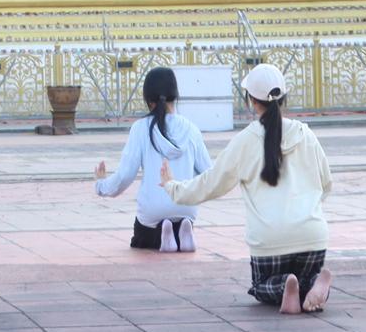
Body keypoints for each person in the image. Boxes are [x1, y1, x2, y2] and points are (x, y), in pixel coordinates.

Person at [165, 63, 333, 314]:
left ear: (251, 101)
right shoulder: (306, 135)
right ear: (284, 98)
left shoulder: (245, 141)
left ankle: (284, 289)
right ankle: (311, 284)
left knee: (260, 285)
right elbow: (326, 183)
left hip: (270, 241)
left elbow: (211, 184)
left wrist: (172, 187)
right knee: (305, 272)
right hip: (313, 237)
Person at [94, 66, 212, 251]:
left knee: (140, 235)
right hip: (186, 206)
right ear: (175, 95)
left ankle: (162, 235)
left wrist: (102, 185)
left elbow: (126, 175)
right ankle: (183, 231)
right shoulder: (191, 129)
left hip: (153, 212)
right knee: (181, 214)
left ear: (148, 99)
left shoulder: (140, 128)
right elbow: (208, 173)